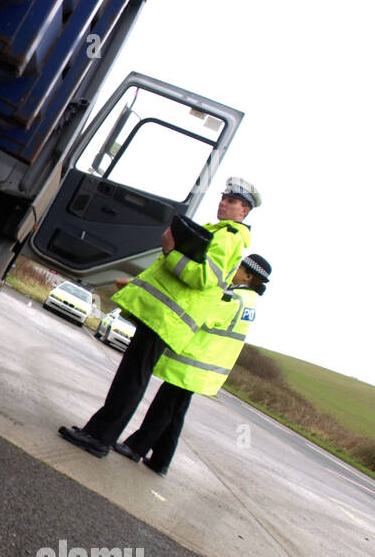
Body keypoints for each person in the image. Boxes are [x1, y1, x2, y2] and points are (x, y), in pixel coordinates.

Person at [59, 177, 261, 457]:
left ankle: (99, 438)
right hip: (161, 317)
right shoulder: (222, 233)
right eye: (224, 198)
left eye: (233, 201)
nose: (224, 203)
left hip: (166, 319)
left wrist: (170, 251)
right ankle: (98, 434)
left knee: (131, 381)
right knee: (130, 378)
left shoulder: (228, 238)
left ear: (245, 211)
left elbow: (204, 278)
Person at [113, 254, 272, 475]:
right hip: (206, 367)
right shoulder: (250, 302)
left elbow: (204, 316)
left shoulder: (231, 298)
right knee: (175, 412)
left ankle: (135, 447)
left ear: (248, 275)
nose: (233, 269)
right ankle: (161, 459)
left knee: (164, 406)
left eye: (238, 267)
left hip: (193, 363)